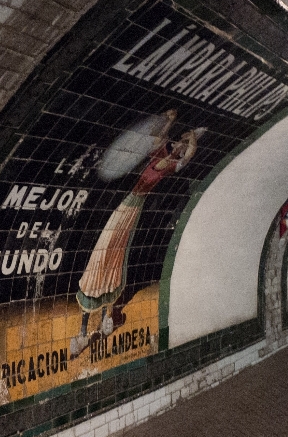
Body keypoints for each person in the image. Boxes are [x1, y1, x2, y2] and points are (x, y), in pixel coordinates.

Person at [70, 110, 204, 358]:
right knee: (104, 252)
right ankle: (91, 324)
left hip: (134, 208)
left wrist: (192, 138)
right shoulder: (161, 152)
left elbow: (191, 154)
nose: (181, 146)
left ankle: (104, 318)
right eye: (180, 142)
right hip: (129, 205)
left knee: (113, 256)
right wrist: (171, 121)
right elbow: (156, 136)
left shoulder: (174, 163)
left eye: (183, 146)